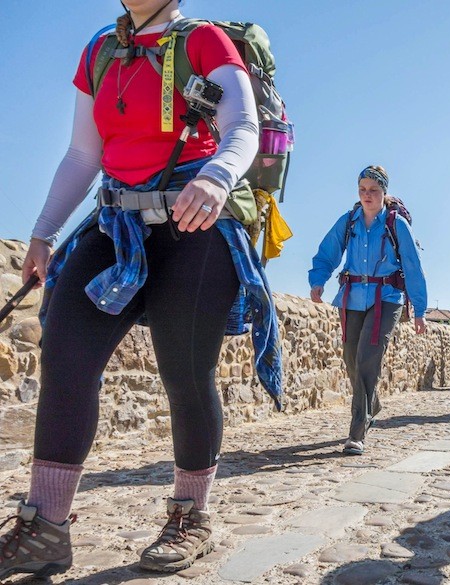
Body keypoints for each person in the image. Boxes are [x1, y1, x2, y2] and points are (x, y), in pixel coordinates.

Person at [0, 0, 283, 578]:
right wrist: (42, 234)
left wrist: (216, 178)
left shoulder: (204, 40)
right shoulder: (100, 51)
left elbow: (242, 127)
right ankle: (45, 528)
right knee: (65, 357)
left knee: (184, 369)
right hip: (116, 224)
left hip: (197, 222)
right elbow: (84, 154)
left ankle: (190, 515)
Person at [308, 165, 428, 456]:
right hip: (351, 298)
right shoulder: (349, 221)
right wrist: (318, 281)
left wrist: (420, 310)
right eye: (362, 190)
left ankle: (357, 432)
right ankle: (371, 404)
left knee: (366, 360)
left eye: (373, 190)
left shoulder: (396, 224)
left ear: (384, 192)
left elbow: (412, 266)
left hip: (386, 298)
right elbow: (328, 252)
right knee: (351, 359)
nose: (367, 195)